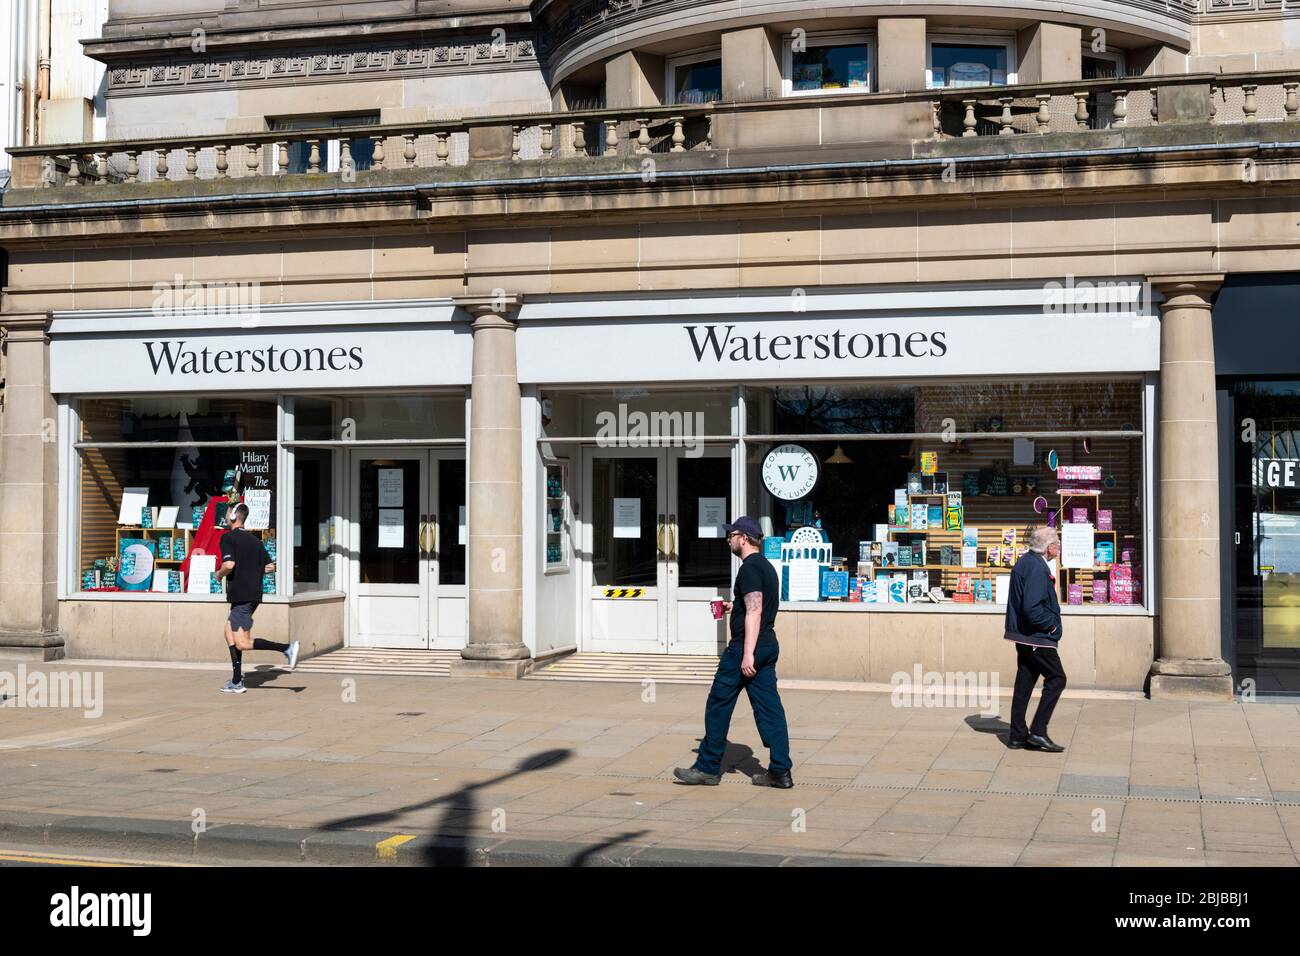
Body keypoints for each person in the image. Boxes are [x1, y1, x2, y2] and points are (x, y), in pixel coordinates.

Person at [674, 516, 793, 788]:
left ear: (745, 538)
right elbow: (751, 605)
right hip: (767, 643)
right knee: (769, 708)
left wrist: (747, 654)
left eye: (732, 534)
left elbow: (755, 609)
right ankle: (780, 771)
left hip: (745, 648)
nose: (728, 538)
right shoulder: (765, 567)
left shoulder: (750, 568)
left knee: (718, 703)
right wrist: (734, 607)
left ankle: (707, 767)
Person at [215, 502, 298, 693]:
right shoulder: (255, 541)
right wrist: (251, 571)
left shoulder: (228, 538)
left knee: (242, 642)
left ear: (234, 516)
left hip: (242, 596)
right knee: (229, 632)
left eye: (228, 514)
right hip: (252, 595)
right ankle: (236, 681)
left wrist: (219, 575)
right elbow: (270, 567)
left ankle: (287, 648)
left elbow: (228, 565)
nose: (227, 517)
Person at [1004, 525, 1066, 752]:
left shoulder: (1027, 562)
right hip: (1036, 638)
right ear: (1050, 547)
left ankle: (1017, 736)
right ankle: (1038, 731)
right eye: (1057, 542)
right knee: (1057, 678)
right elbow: (1032, 608)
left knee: (1026, 681)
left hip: (1025, 636)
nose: (1059, 546)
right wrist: (1051, 627)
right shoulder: (1036, 568)